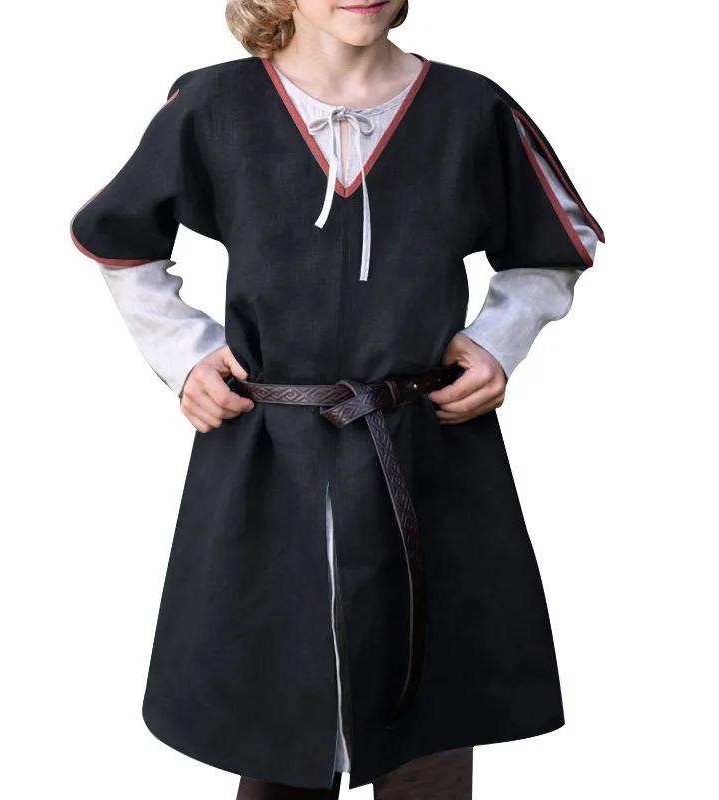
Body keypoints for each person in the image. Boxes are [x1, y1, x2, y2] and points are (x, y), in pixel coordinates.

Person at [69, 1, 604, 797]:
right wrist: (184, 355)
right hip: (271, 453)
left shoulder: (471, 107)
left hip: (424, 446)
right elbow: (121, 239)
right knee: (280, 701)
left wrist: (500, 339)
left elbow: (556, 242)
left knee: (428, 703)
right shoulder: (216, 104)